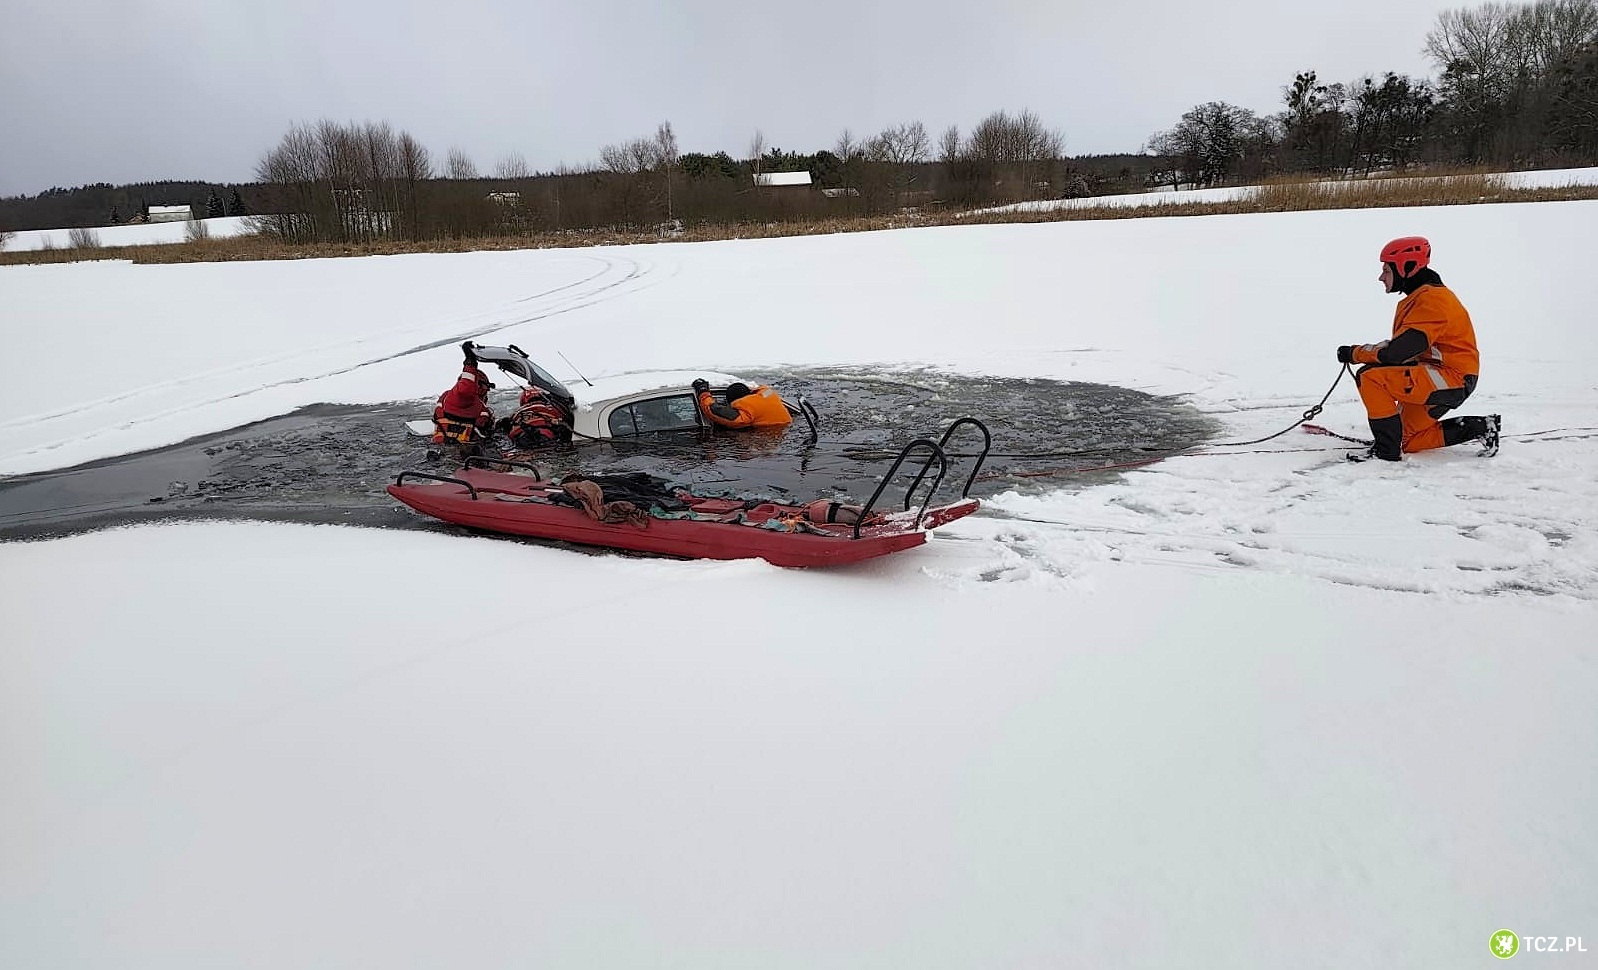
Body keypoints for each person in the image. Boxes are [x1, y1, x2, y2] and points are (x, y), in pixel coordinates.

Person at [1336, 236, 1500, 462]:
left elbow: (1397, 352)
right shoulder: (1421, 297)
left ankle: (1386, 453)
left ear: (1407, 267)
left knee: (1370, 377)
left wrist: (1355, 353)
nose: (1381, 277)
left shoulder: (1432, 301)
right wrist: (1364, 354)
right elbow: (1402, 351)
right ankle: (1481, 427)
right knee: (1408, 440)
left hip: (1450, 378)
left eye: (1386, 270)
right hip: (1440, 375)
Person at [432, 341, 496, 451]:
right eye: (485, 388)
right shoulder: (461, 399)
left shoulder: (472, 405)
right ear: (479, 386)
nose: (486, 392)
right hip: (460, 453)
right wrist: (470, 363)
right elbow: (466, 389)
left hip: (453, 450)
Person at [692, 379, 793, 430]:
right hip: (786, 429)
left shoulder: (746, 414)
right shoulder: (768, 394)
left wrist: (703, 392)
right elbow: (758, 389)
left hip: (766, 434)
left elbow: (712, 409)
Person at [498, 385, 572, 450]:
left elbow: (506, 425)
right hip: (545, 435)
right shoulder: (552, 408)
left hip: (520, 436)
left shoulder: (518, 411)